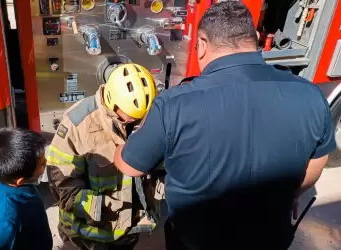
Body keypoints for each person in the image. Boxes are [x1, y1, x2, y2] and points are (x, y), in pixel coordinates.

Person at [113, 2, 336, 250]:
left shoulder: (173, 104)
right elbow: (318, 159)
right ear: (254, 41)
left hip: (196, 242)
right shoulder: (309, 95)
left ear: (203, 45)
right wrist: (291, 193)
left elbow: (129, 166)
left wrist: (119, 144)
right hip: (270, 239)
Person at [46, 63, 165, 250]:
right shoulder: (77, 124)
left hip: (129, 233)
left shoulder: (147, 117)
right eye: (130, 117)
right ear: (112, 102)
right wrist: (111, 207)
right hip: (87, 237)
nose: (136, 122)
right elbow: (63, 187)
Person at [0, 128, 53, 250]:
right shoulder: (3, 223)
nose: (47, 163)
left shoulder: (0, 175)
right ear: (20, 181)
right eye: (42, 164)